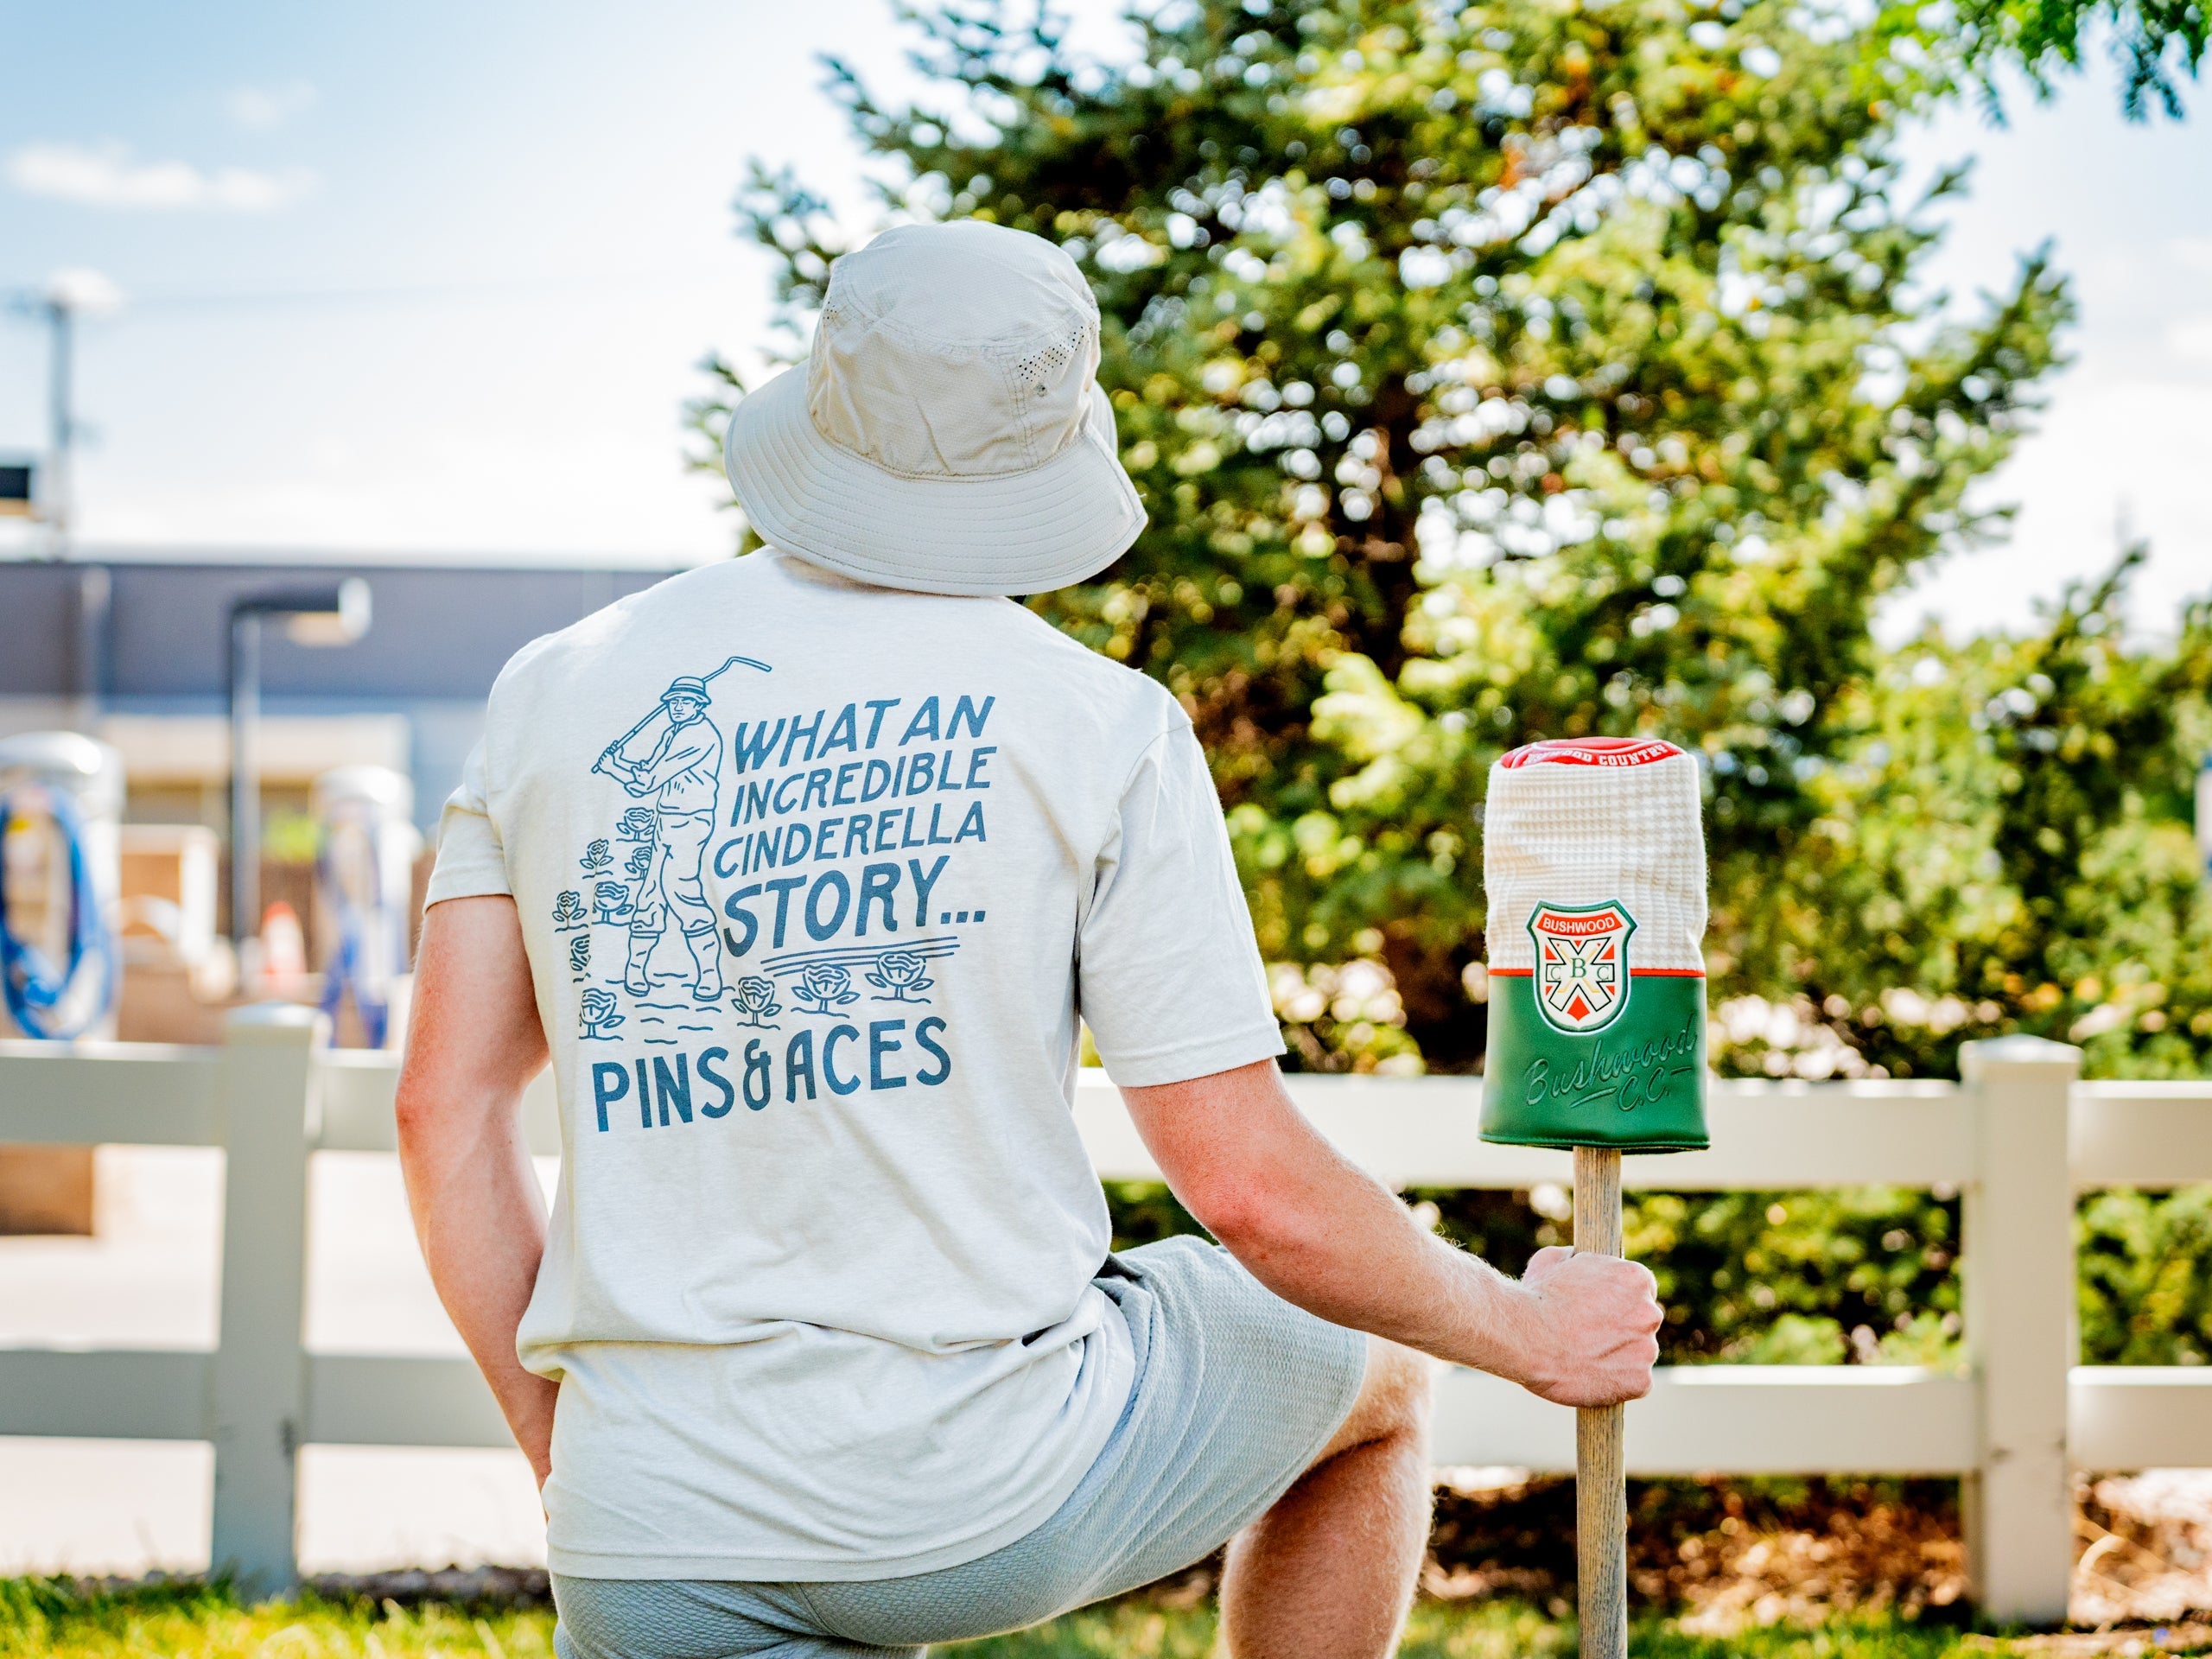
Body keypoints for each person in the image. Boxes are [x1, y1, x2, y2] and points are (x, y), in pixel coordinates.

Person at [396, 220, 1662, 1659]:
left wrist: (573, 1455)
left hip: (646, 1526)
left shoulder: (557, 689)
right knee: (1369, 1382)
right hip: (968, 1500)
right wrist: (1529, 1332)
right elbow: (1250, 1189)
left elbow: (442, 1110)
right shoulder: (1095, 725)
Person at [595, 675, 723, 1002]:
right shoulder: (673, 733)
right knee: (649, 895)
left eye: (686, 702)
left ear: (699, 705)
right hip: (666, 820)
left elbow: (650, 780)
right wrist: (621, 764)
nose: (678, 707)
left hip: (690, 822)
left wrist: (613, 769)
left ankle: (709, 974)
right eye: (674, 702)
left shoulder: (700, 736)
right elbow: (642, 779)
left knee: (682, 892)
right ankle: (636, 969)